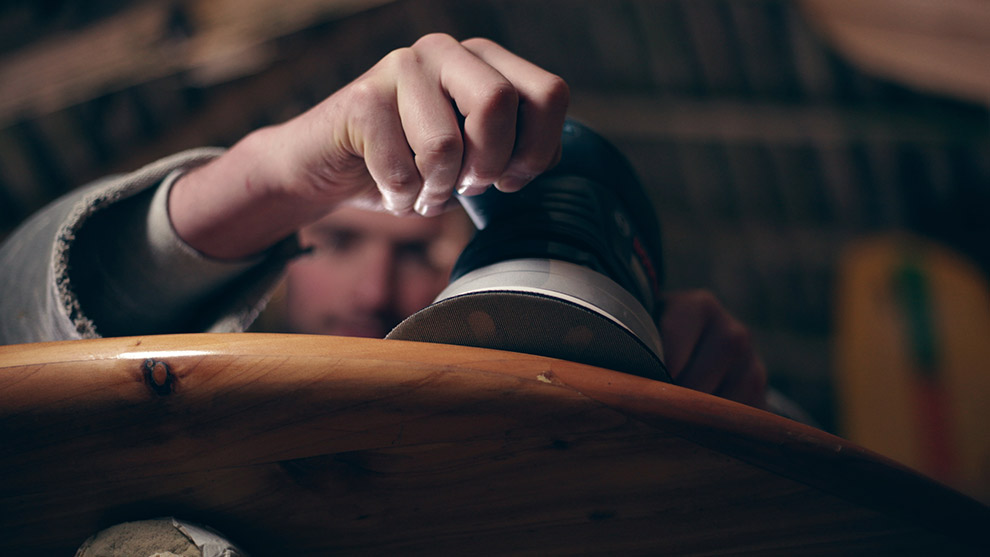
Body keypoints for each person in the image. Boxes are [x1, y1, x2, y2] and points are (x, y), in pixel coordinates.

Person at [0, 33, 766, 410]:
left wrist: (711, 392)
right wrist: (265, 176)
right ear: (286, 249)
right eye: (338, 237)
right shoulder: (194, 404)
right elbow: (16, 328)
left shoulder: (595, 395)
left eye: (424, 250)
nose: (373, 289)